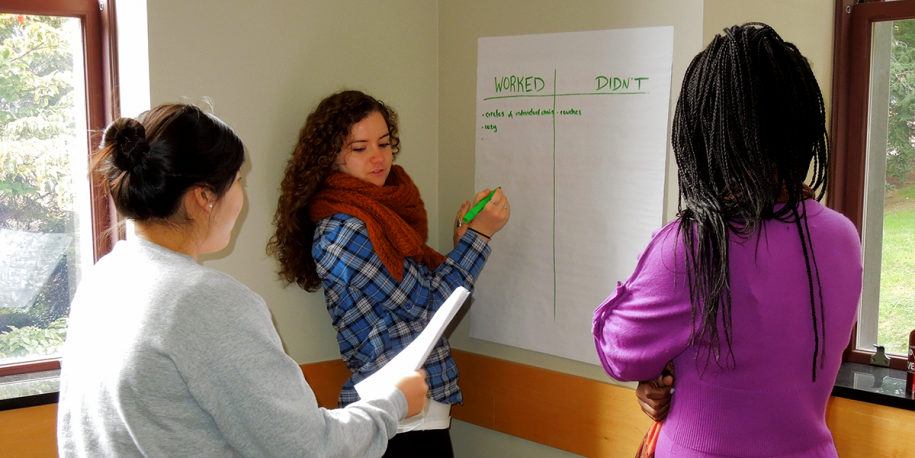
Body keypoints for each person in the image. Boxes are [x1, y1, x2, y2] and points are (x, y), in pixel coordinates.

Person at [57, 103, 429, 458]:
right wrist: (393, 403)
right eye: (237, 181)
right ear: (205, 197)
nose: (242, 197)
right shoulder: (204, 301)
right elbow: (310, 448)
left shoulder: (101, 281)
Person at [592, 23, 863, 457]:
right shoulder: (842, 236)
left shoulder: (695, 245)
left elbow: (620, 352)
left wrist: (660, 369)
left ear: (706, 133)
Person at [268, 90, 509, 457]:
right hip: (400, 421)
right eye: (360, 148)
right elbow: (429, 304)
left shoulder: (377, 215)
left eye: (383, 143)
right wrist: (479, 237)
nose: (378, 157)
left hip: (412, 418)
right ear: (332, 157)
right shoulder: (347, 231)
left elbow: (411, 296)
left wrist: (463, 241)